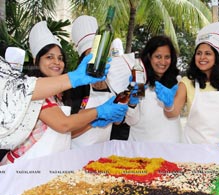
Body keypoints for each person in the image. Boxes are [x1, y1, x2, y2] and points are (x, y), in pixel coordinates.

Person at [0, 21, 128, 165]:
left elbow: (66, 134)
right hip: (24, 166)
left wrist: (92, 123)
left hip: (49, 164)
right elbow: (63, 124)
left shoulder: (59, 95)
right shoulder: (34, 90)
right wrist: (99, 111)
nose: (57, 62)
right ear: (36, 60)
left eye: (60, 58)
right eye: (49, 57)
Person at [161, 22, 219, 156]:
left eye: (207, 53)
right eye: (199, 53)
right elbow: (172, 113)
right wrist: (168, 104)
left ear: (216, 57)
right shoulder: (187, 82)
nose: (202, 57)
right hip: (192, 150)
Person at [70, 15, 118, 148]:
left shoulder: (112, 81)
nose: (97, 60)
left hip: (103, 155)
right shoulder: (75, 86)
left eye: (100, 54)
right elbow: (69, 130)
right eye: (91, 55)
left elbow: (119, 122)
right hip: (77, 155)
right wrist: (95, 119)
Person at [125, 35, 183, 143]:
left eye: (167, 57)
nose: (163, 62)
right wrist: (132, 103)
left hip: (172, 146)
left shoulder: (177, 82)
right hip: (142, 149)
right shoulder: (140, 80)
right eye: (158, 56)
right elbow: (131, 121)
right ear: (149, 56)